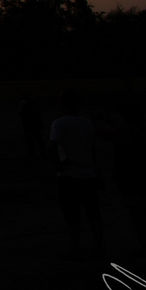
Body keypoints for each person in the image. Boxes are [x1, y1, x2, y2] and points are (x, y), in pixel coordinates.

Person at [98, 98, 146, 257]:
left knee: (136, 213)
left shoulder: (122, 132)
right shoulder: (145, 131)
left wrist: (96, 121)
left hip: (129, 176)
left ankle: (145, 245)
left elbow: (103, 134)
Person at [48, 89, 104, 260]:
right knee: (93, 213)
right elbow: (92, 148)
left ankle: (76, 247)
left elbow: (53, 148)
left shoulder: (59, 123)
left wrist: (58, 167)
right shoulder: (87, 123)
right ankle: (99, 246)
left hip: (69, 176)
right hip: (88, 174)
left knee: (71, 215)